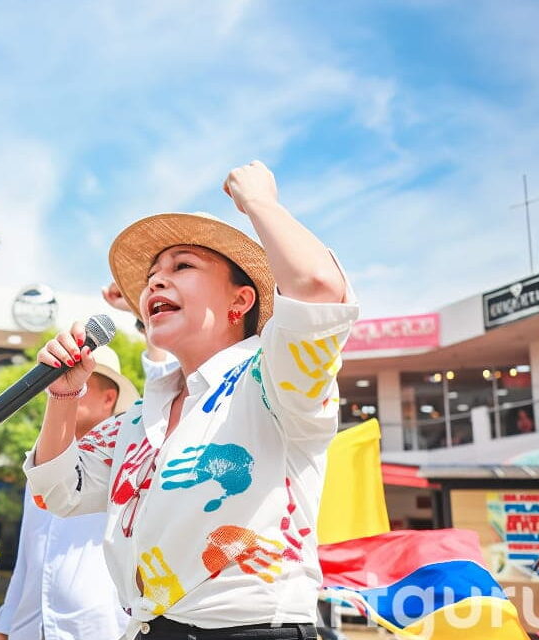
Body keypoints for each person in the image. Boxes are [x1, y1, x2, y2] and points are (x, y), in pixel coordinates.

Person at [24, 161, 358, 639]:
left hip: (253, 628)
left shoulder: (271, 379)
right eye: (152, 276)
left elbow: (319, 289)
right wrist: (64, 394)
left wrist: (259, 201)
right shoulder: (140, 417)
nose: (155, 283)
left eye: (182, 266)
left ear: (239, 302)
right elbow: (55, 491)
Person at [0, 346, 140, 640]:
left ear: (109, 398)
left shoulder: (129, 465)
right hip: (31, 627)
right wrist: (4, 626)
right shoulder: (40, 467)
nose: (68, 385)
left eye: (82, 382)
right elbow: (27, 558)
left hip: (98, 629)